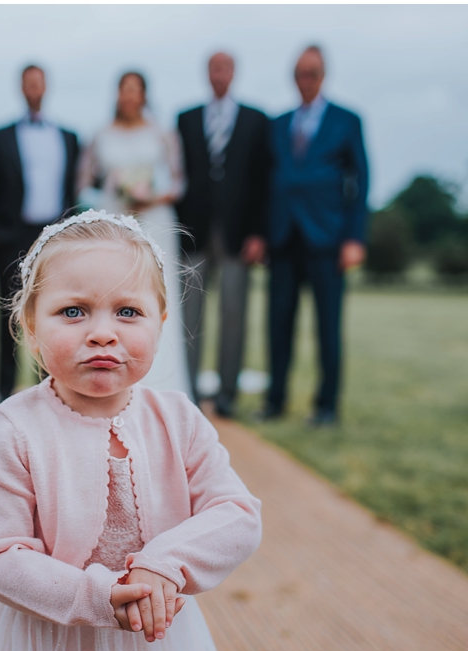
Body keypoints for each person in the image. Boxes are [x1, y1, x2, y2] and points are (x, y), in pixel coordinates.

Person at [0, 211, 262, 651]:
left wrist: (162, 566)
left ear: (161, 321)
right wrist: (96, 595)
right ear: (30, 325)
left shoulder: (177, 419)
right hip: (49, 650)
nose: (102, 333)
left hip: (155, 646)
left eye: (128, 311)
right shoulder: (16, 427)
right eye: (73, 311)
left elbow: (235, 513)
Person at [257, 45, 368, 426]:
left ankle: (326, 407)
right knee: (278, 326)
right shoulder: (277, 123)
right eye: (301, 73)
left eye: (314, 72)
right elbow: (265, 182)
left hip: (328, 240)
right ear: (293, 76)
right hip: (283, 238)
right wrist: (261, 233)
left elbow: (360, 182)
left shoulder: (347, 120)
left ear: (324, 76)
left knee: (328, 328)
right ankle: (275, 401)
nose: (307, 79)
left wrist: (355, 238)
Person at [77, 71, 190, 397]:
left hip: (155, 223)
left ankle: (164, 387)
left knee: (155, 298)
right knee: (113, 296)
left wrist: (150, 196)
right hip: (116, 222)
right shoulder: (100, 135)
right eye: (124, 89)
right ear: (117, 94)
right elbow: (84, 188)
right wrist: (111, 193)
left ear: (144, 95)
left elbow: (178, 183)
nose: (129, 96)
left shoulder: (163, 134)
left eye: (135, 90)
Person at [175, 51, 272, 418]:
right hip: (194, 233)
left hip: (238, 235)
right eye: (213, 68)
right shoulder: (185, 119)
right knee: (191, 316)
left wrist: (259, 233)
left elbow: (263, 181)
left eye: (225, 68)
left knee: (234, 313)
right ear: (206, 73)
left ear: (234, 73)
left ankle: (227, 395)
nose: (219, 74)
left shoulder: (256, 120)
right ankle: (190, 393)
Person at [0, 64, 79, 402]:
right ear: (21, 88)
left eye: (38, 82)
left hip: (52, 237)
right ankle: (4, 391)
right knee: (8, 315)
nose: (33, 88)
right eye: (28, 83)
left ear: (46, 87)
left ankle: (48, 390)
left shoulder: (68, 137)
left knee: (53, 314)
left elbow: (71, 190)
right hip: (12, 236)